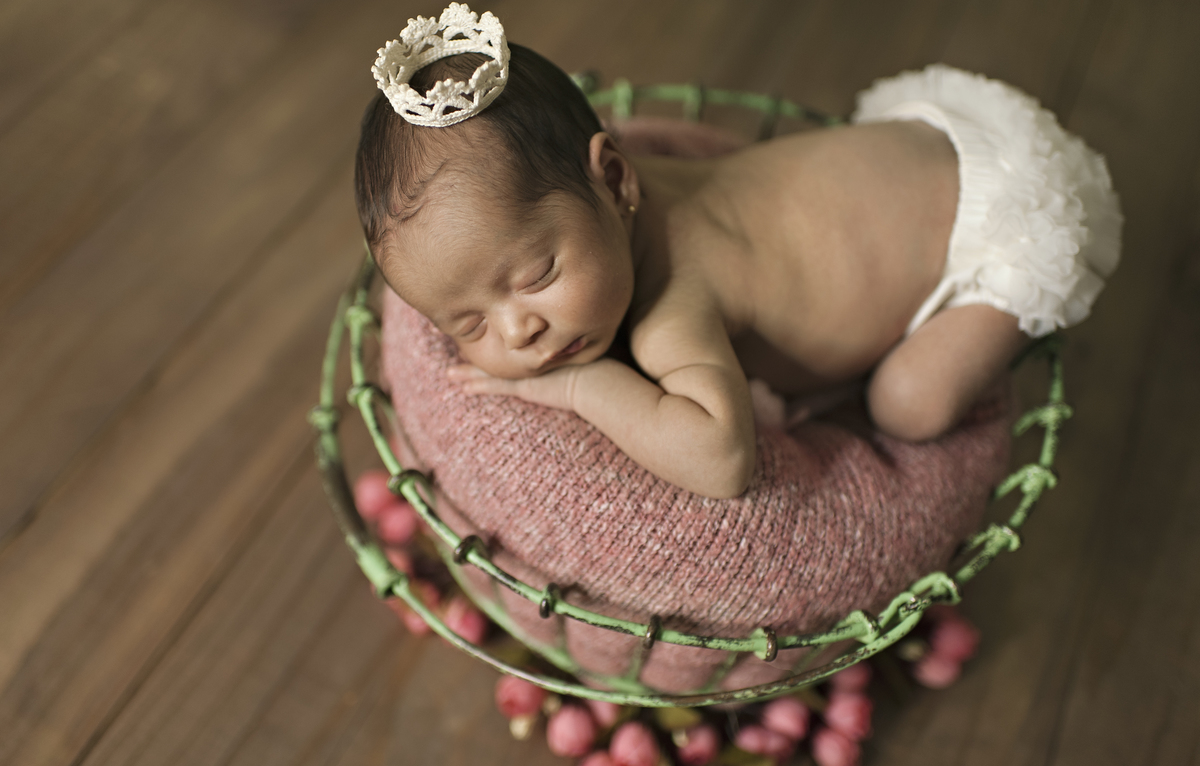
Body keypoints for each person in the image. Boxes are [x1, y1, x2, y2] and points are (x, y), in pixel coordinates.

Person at [355, 4, 1121, 499]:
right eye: (468, 328)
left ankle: (1013, 316)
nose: (519, 329)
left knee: (906, 406)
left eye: (537, 275)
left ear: (616, 178)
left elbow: (724, 462)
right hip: (929, 144)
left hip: (998, 220)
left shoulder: (673, 308)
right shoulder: (629, 195)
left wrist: (580, 391)